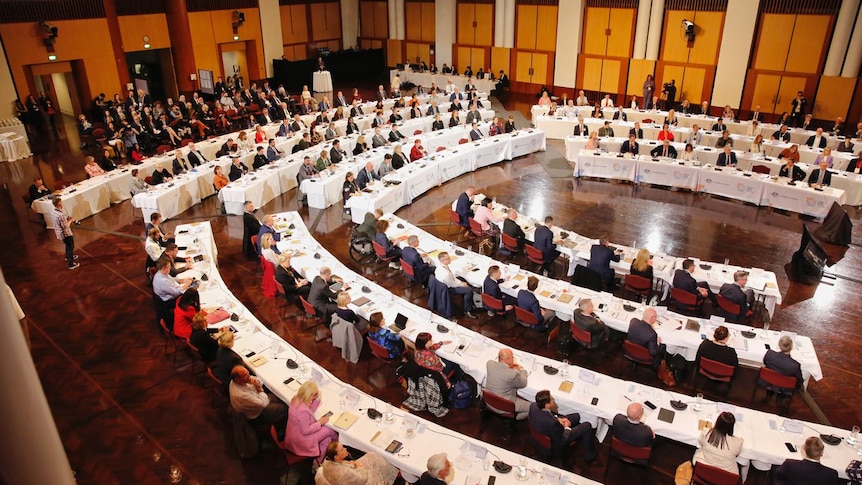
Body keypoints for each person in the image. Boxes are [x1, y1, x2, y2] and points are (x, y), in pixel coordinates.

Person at [529, 389, 596, 463]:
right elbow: (562, 440)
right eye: (552, 399)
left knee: (576, 416)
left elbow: (547, 415)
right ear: (547, 405)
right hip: (557, 440)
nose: (553, 400)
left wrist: (558, 419)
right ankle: (589, 455)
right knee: (587, 426)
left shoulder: (533, 405)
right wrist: (566, 427)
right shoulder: (552, 424)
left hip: (547, 428)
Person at [229, 366, 288, 434]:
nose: (248, 375)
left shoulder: (238, 381)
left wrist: (257, 383)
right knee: (285, 407)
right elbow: (263, 404)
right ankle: (281, 429)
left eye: (247, 372)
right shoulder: (241, 395)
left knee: (280, 398)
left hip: (259, 399)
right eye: (245, 375)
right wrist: (259, 389)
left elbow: (259, 381)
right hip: (258, 413)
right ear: (237, 379)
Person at [320, 440, 399, 485]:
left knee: (372, 455)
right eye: (342, 449)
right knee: (375, 460)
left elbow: (340, 465)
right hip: (362, 479)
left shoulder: (326, 462)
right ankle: (395, 474)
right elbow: (363, 478)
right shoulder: (344, 472)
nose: (345, 449)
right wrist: (357, 465)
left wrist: (348, 463)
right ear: (336, 457)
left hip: (349, 471)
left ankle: (391, 470)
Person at [691, 412, 743, 477]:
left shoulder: (707, 433)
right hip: (725, 476)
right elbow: (737, 454)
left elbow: (700, 442)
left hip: (703, 470)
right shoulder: (737, 442)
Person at [485, 348, 530, 419]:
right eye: (512, 357)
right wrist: (522, 370)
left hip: (489, 402)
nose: (513, 358)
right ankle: (516, 418)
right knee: (532, 407)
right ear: (507, 360)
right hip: (505, 406)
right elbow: (523, 383)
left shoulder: (489, 364)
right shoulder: (512, 374)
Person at [775, 436, 839, 484]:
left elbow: (778, 476)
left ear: (804, 450)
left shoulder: (790, 464)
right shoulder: (832, 474)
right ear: (821, 453)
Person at [435, 252, 477, 319]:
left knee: (461, 278)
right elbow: (452, 284)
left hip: (447, 283)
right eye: (448, 258)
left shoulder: (440, 266)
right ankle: (467, 310)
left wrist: (461, 282)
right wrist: (462, 284)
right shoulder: (445, 273)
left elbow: (452, 279)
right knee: (469, 290)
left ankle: (469, 301)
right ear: (443, 261)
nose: (450, 259)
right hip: (448, 289)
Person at [51, 198, 79, 270]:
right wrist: (70, 220)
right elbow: (66, 226)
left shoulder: (53, 212)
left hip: (60, 233)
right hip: (66, 234)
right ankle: (71, 264)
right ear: (59, 204)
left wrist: (66, 219)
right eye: (61, 202)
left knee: (67, 245)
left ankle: (68, 256)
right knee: (70, 247)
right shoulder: (60, 215)